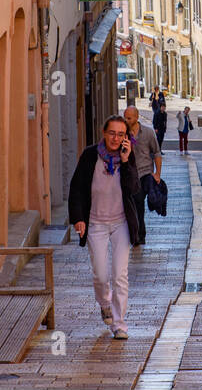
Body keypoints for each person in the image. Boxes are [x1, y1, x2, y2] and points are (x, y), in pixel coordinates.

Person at [68, 115, 140, 339]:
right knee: (100, 275)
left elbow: (134, 189)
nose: (115, 138)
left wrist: (126, 161)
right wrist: (78, 218)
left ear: (126, 138)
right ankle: (104, 303)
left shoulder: (127, 157)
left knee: (120, 275)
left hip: (121, 223)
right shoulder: (90, 155)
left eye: (121, 134)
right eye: (112, 133)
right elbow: (77, 188)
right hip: (96, 223)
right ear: (104, 133)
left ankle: (119, 324)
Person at [123, 106, 161, 246]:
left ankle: (138, 235)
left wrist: (157, 174)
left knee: (138, 202)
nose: (126, 120)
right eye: (125, 117)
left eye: (129, 118)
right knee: (134, 204)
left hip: (145, 173)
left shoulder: (148, 133)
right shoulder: (122, 133)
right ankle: (137, 234)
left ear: (136, 118)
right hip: (129, 174)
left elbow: (156, 153)